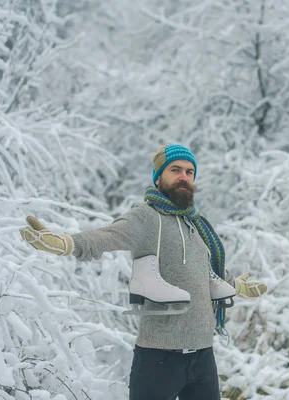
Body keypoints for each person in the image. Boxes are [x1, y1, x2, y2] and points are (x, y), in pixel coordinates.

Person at [20, 144, 267, 400]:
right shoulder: (146, 218)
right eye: (176, 170)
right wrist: (67, 243)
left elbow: (208, 274)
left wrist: (237, 285)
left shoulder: (198, 225)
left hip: (203, 355)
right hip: (158, 358)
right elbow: (108, 236)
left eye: (189, 172)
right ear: (159, 176)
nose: (184, 176)